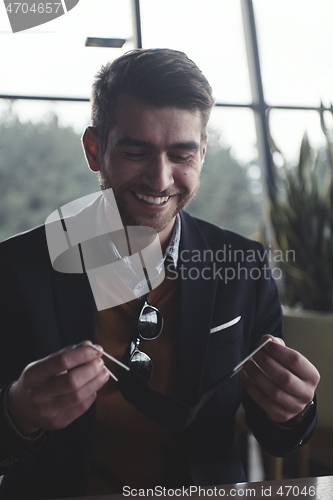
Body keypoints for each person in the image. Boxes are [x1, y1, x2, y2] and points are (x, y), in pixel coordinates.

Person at [0, 49, 319, 499]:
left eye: (182, 155)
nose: (160, 178)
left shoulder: (243, 266)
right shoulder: (16, 270)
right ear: (95, 150)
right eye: (136, 151)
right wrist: (19, 411)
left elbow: (279, 438)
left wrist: (294, 410)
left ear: (203, 154)